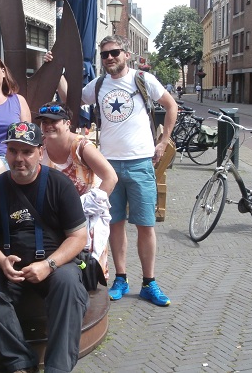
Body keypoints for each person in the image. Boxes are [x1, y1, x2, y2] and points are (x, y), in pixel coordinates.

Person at [0, 121, 89, 373]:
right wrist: (1, 261)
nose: (19, 158)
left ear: (40, 152)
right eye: (13, 151)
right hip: (11, 268)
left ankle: (58, 368)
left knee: (69, 283)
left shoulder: (60, 185)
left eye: (27, 151)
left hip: (55, 265)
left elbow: (78, 237)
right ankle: (20, 361)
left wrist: (48, 264)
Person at [82, 35, 178, 306]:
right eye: (104, 54)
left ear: (126, 54)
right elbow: (71, 98)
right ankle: (121, 278)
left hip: (140, 164)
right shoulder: (98, 84)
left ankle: (149, 282)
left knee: (146, 225)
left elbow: (171, 105)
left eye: (114, 52)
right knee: (114, 224)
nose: (109, 58)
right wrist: (56, 70)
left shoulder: (143, 80)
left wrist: (164, 141)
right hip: (108, 167)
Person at [36, 101, 118, 278]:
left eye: (54, 121)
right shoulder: (39, 147)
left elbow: (110, 177)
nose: (48, 126)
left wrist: (89, 205)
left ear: (67, 123)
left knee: (87, 269)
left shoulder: (81, 146)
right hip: (53, 215)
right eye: (44, 122)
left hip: (85, 214)